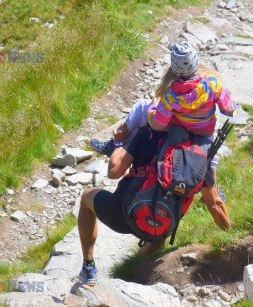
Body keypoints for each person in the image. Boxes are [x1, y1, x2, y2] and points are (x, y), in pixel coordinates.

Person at [78, 125, 231, 286]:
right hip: (160, 228)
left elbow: (114, 171)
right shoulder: (197, 152)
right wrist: (230, 236)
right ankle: (131, 271)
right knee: (159, 226)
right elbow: (214, 203)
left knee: (87, 197)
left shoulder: (148, 133)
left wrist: (119, 143)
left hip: (121, 215)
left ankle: (88, 267)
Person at [89, 41, 240, 200]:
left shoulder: (170, 95)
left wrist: (153, 109)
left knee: (142, 106)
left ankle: (114, 145)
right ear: (196, 61)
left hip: (178, 133)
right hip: (203, 135)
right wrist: (232, 107)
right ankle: (212, 189)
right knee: (210, 154)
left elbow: (158, 126)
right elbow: (229, 109)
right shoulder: (212, 83)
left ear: (174, 68)